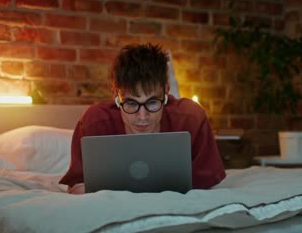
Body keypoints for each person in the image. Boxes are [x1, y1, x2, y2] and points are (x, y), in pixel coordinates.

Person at [59, 43, 226, 194]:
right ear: (115, 96)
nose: (142, 117)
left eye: (152, 102)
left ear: (167, 91)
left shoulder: (191, 119)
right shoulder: (94, 122)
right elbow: (77, 187)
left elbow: (206, 189)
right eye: (131, 103)